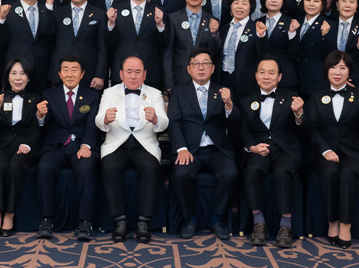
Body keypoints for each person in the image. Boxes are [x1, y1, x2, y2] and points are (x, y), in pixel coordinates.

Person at [95, 56, 169, 243]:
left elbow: (164, 122)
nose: (133, 76)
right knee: (110, 167)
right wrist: (105, 119)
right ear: (121, 74)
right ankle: (119, 221)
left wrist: (155, 119)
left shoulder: (155, 94)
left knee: (151, 168)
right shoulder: (109, 93)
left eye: (138, 72)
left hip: (144, 144)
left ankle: (144, 222)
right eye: (129, 72)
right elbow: (98, 120)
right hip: (117, 143)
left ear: (145, 74)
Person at [168, 50, 238, 240]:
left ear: (213, 68)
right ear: (189, 68)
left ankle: (217, 218)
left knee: (230, 173)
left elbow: (235, 124)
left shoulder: (222, 91)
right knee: (181, 174)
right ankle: (189, 218)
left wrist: (229, 105)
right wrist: (181, 148)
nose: (201, 67)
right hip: (190, 149)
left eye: (205, 63)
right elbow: (173, 122)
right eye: (196, 63)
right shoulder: (178, 92)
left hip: (216, 148)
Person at [305, 51, 359, 249]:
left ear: (349, 71)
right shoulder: (317, 96)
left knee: (348, 174)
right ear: (326, 71)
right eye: (333, 67)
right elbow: (312, 129)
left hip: (354, 152)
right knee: (329, 172)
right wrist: (325, 150)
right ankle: (332, 221)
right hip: (325, 152)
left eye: (342, 68)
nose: (337, 72)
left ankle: (345, 225)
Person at [239, 57, 304, 248]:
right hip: (258, 150)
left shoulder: (292, 98)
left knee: (283, 172)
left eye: (271, 72)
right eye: (262, 72)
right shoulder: (246, 100)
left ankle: (285, 226)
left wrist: (299, 114)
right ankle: (259, 223)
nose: (266, 76)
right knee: (252, 170)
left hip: (285, 150)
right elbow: (242, 130)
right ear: (256, 75)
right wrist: (252, 147)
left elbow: (304, 129)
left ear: (279, 77)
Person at [35, 54, 101, 241]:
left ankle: (85, 223)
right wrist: (40, 115)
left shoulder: (92, 96)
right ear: (59, 73)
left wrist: (87, 145)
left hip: (81, 144)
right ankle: (46, 221)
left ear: (82, 74)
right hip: (56, 146)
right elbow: (44, 122)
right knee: (44, 167)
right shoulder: (49, 94)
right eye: (65, 70)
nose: (70, 74)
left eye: (74, 70)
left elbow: (92, 124)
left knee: (86, 168)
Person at [0, 59, 44, 236]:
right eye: (14, 73)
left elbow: (37, 128)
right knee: (0, 166)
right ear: (7, 76)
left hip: (25, 144)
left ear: (29, 77)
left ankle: (9, 214)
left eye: (22, 73)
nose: (18, 78)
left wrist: (27, 144)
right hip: (1, 144)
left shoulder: (36, 98)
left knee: (15, 165)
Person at [105, 0, 168, 90]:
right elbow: (108, 43)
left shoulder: (158, 11)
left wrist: (160, 25)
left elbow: (164, 44)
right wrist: (111, 25)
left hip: (150, 72)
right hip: (122, 72)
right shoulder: (116, 10)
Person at [47, 0, 108, 90]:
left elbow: (102, 48)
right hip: (60, 73)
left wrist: (99, 75)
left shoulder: (99, 14)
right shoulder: (58, 12)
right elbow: (48, 38)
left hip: (88, 74)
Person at [0, 0, 56, 90]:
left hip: (42, 72)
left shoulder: (47, 9)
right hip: (17, 73)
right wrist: (1, 19)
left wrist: (49, 6)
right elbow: (0, 42)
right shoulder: (8, 11)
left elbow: (50, 32)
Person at [163, 0, 221, 92]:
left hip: (204, 78)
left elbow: (216, 51)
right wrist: (169, 83)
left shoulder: (212, 20)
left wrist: (214, 34)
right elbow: (168, 52)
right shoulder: (173, 19)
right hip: (180, 77)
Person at [216, 0, 262, 99]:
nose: (240, 7)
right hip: (223, 79)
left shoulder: (256, 28)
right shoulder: (224, 28)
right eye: (236, 3)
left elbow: (262, 54)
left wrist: (261, 36)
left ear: (251, 7)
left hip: (246, 83)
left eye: (244, 3)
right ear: (231, 6)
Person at [255, 0, 300, 92]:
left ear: (283, 1)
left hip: (285, 78)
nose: (274, 0)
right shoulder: (257, 22)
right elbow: (257, 53)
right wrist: (261, 36)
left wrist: (292, 33)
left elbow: (295, 55)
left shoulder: (291, 22)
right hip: (263, 79)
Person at [295, 0, 335, 98]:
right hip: (296, 78)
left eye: (316, 1)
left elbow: (331, 54)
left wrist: (325, 36)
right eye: (308, 0)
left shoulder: (328, 25)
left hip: (317, 80)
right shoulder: (295, 23)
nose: (311, 4)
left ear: (322, 6)